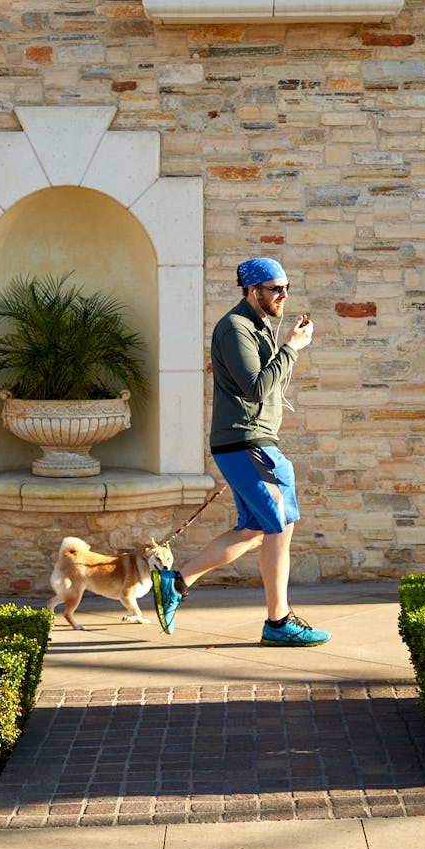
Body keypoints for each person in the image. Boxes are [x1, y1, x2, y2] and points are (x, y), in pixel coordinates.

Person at [151, 257, 331, 647]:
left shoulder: (257, 327)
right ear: (252, 291)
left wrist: (285, 344)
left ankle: (176, 583)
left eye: (286, 287)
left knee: (254, 531)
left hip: (249, 442)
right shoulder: (235, 328)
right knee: (280, 526)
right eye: (274, 288)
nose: (283, 295)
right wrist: (292, 348)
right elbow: (256, 388)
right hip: (248, 442)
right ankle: (279, 622)